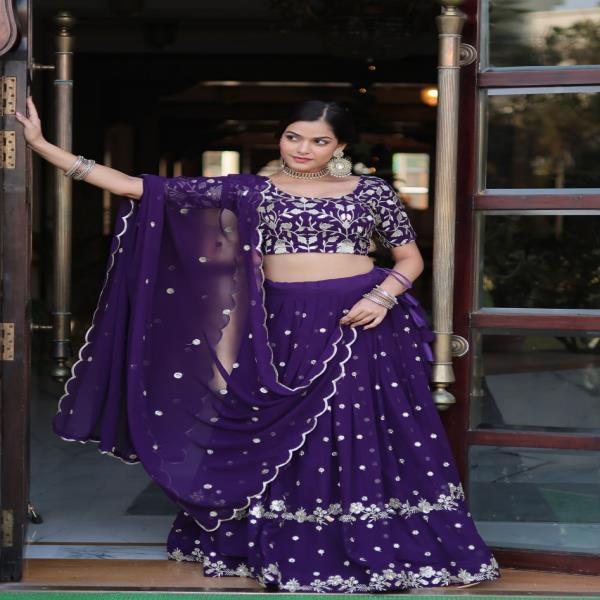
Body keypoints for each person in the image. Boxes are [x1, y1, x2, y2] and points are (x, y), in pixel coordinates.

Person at [17, 97, 500, 593]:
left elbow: (410, 258)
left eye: (319, 141)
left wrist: (382, 296)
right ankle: (282, 539)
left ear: (340, 146)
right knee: (280, 432)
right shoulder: (251, 190)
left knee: (357, 429)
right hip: (282, 324)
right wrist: (41, 145)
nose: (303, 149)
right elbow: (136, 187)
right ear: (280, 137)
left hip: (361, 320)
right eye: (294, 137)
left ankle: (370, 536)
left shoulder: (370, 191)